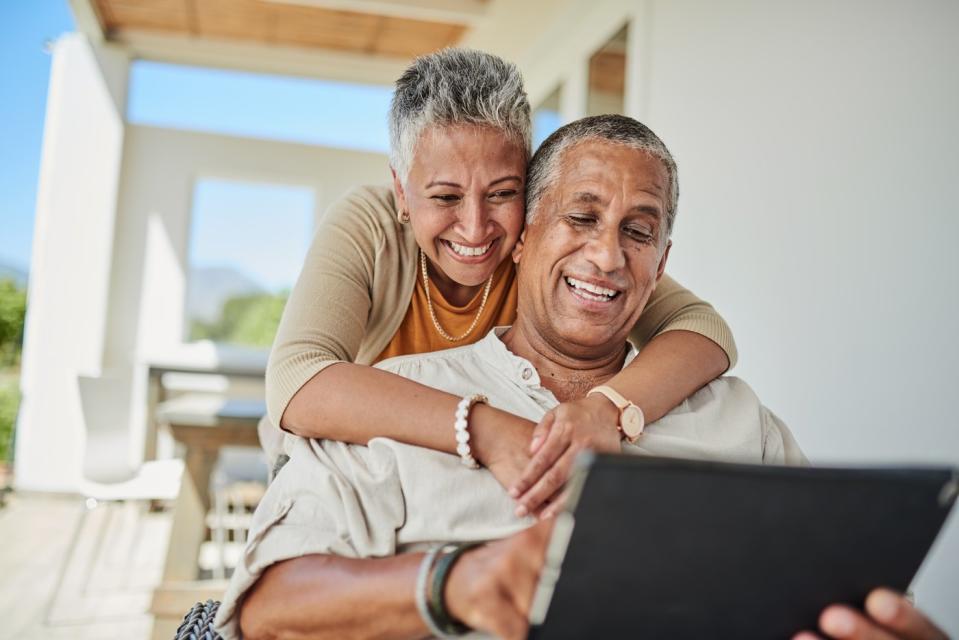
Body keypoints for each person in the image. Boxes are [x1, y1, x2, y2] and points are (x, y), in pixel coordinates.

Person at [213, 116, 945, 640]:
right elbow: (266, 607)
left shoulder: (736, 419)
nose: (605, 257)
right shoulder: (397, 402)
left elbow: (853, 592)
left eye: (637, 231)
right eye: (580, 218)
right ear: (522, 235)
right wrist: (451, 584)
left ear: (660, 264)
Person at [264, 49, 739, 515]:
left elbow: (703, 329)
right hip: (354, 467)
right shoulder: (371, 226)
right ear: (402, 191)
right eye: (446, 196)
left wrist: (608, 409)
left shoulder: (548, 249)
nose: (475, 227)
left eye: (503, 193)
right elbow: (297, 379)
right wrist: (484, 429)